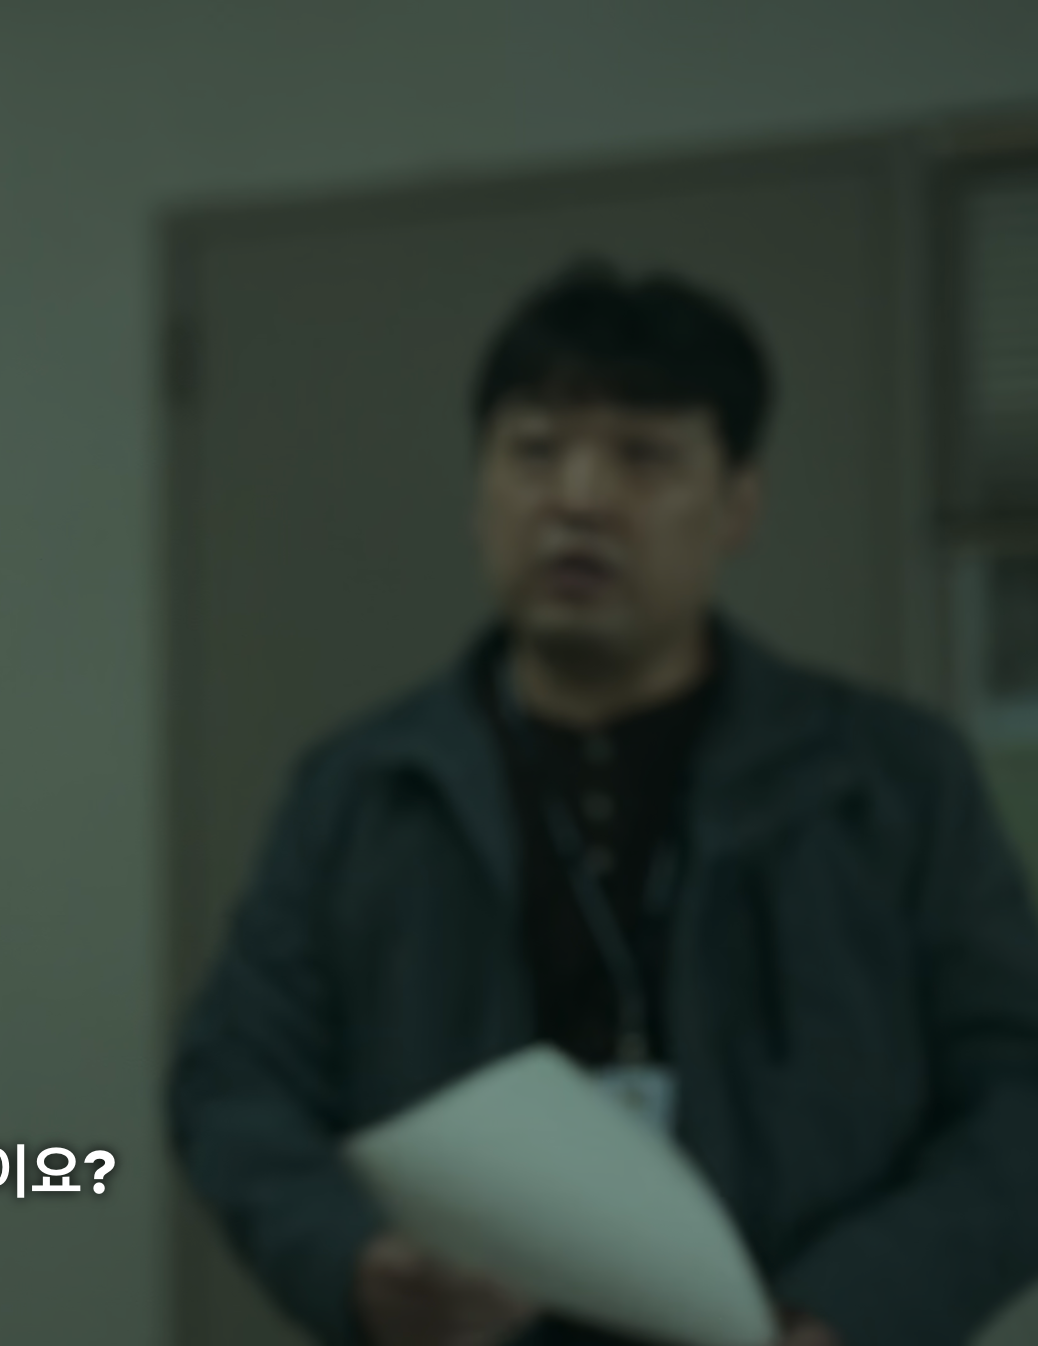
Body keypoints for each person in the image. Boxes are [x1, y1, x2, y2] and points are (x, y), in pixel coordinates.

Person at [169, 260, 1038, 1346]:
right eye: (534, 451)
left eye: (643, 455)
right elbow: (234, 1082)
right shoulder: (364, 785)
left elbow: (1017, 1095)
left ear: (737, 503)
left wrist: (847, 1307)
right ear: (478, 492)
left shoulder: (888, 778)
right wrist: (350, 1261)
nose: (577, 499)